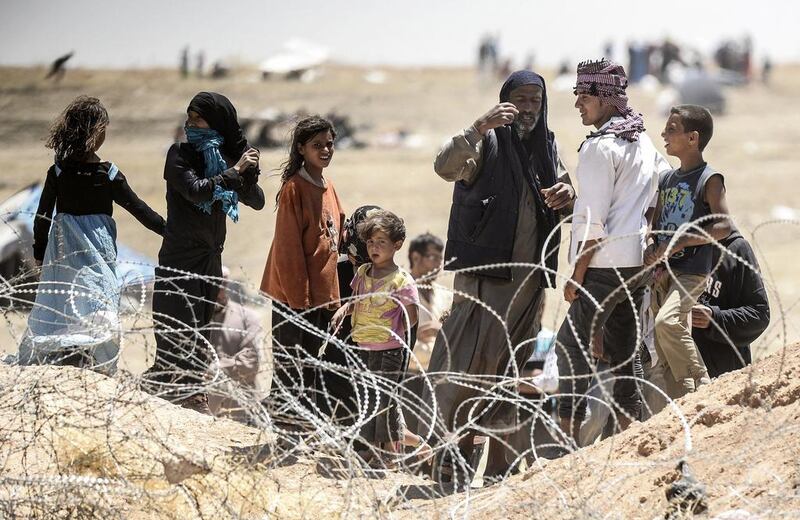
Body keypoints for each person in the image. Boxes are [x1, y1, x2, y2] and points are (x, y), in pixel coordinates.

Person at [424, 69, 574, 484]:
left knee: (511, 374)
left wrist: (568, 196)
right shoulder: (486, 140)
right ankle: (450, 454)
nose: (528, 108)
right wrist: (478, 126)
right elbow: (444, 166)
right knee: (468, 367)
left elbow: (567, 197)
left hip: (527, 287)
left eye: (535, 101)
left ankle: (497, 466)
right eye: (521, 99)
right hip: (485, 282)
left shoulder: (548, 146)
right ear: (505, 99)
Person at [557, 59, 668, 445]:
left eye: (584, 98)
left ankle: (566, 449)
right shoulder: (642, 140)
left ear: (605, 99)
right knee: (625, 355)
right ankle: (631, 441)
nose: (578, 106)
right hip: (635, 262)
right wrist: (646, 234)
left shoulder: (600, 148)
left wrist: (577, 275)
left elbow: (591, 221)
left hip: (603, 265)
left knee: (571, 350)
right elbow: (659, 191)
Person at [18, 96, 165, 373]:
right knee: (99, 303)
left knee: (63, 304)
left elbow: (42, 217)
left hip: (63, 252)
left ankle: (69, 359)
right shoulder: (106, 174)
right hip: (96, 253)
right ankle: (92, 364)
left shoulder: (61, 172)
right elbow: (139, 209)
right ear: (95, 131)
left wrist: (40, 251)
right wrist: (169, 231)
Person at [146, 92, 265, 412]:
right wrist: (235, 170)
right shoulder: (179, 155)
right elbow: (196, 191)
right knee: (175, 328)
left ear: (217, 123)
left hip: (211, 257)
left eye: (198, 119)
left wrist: (246, 172)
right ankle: (176, 392)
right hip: (180, 258)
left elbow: (257, 201)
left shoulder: (226, 160)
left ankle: (192, 392)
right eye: (189, 117)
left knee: (201, 330)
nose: (190, 124)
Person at [260, 116, 345, 428]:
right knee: (290, 366)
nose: (325, 150)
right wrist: (300, 299)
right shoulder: (294, 189)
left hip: (321, 296)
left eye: (329, 144)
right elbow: (288, 249)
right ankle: (285, 430)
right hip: (294, 297)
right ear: (301, 149)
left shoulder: (328, 186)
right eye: (316, 145)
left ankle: (304, 427)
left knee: (312, 367)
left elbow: (337, 236)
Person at [645, 104, 731, 398]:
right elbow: (655, 225)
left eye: (671, 130)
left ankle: (702, 383)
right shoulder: (667, 179)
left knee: (667, 322)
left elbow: (723, 227)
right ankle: (681, 403)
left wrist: (680, 243)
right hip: (663, 271)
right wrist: (651, 246)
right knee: (664, 344)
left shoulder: (710, 179)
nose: (663, 134)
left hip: (691, 270)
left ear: (693, 138)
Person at [331, 210, 420, 467]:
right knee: (368, 399)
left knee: (385, 401)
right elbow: (356, 300)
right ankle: (370, 448)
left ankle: (389, 451)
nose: (374, 247)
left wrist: (394, 331)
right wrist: (343, 310)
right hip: (363, 345)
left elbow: (411, 315)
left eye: (381, 242)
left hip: (390, 350)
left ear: (397, 245)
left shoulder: (401, 280)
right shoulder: (362, 273)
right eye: (370, 242)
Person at [691, 231, 769, 378]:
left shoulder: (736, 248)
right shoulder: (677, 247)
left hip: (723, 373)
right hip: (679, 372)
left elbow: (759, 314)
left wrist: (714, 319)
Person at [207, 267, 264, 420]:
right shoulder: (197, 320)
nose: (218, 290)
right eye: (213, 285)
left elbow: (251, 361)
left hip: (240, 409)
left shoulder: (248, 318)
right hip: (204, 411)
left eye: (221, 285)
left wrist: (215, 369)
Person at [407, 232, 450, 369]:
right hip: (408, 374)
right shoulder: (400, 293)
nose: (438, 265)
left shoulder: (445, 295)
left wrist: (443, 331)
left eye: (440, 259)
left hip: (437, 372)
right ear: (415, 257)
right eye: (433, 258)